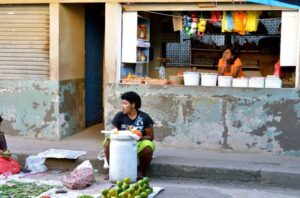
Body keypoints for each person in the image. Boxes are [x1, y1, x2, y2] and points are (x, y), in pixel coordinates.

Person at [104, 91, 155, 180]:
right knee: (108, 143)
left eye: (125, 103)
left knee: (148, 148)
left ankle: (140, 171)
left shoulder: (144, 117)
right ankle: (112, 170)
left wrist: (138, 137)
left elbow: (150, 136)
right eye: (122, 104)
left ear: (133, 104)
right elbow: (114, 132)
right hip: (121, 143)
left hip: (137, 142)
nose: (122, 106)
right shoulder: (119, 116)